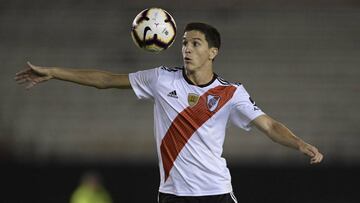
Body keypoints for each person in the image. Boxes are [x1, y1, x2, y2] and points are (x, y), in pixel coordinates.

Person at [15, 22, 323, 203]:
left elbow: (268, 125)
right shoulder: (162, 78)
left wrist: (298, 143)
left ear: (213, 52)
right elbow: (106, 81)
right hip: (172, 194)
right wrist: (54, 71)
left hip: (216, 192)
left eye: (196, 43)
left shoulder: (231, 93)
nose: (187, 49)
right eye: (185, 42)